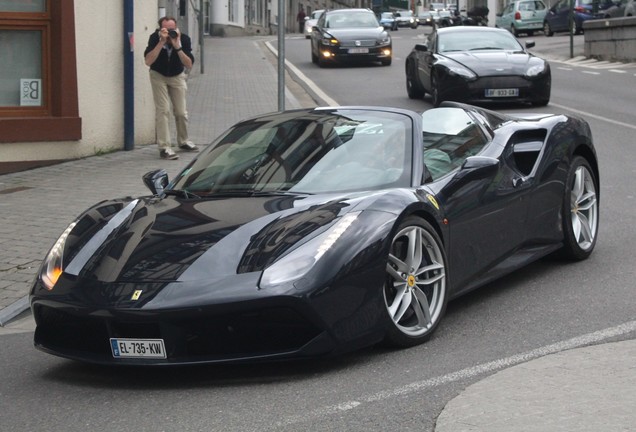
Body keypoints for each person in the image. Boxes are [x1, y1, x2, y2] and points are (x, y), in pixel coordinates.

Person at [144, 16, 198, 160]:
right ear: (160, 29)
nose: (169, 33)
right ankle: (164, 147)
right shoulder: (155, 38)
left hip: (176, 75)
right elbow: (148, 61)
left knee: (181, 112)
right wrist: (161, 42)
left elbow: (189, 64)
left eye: (172, 29)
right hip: (158, 75)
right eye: (166, 30)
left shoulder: (184, 39)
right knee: (163, 110)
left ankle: (183, 141)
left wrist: (177, 45)